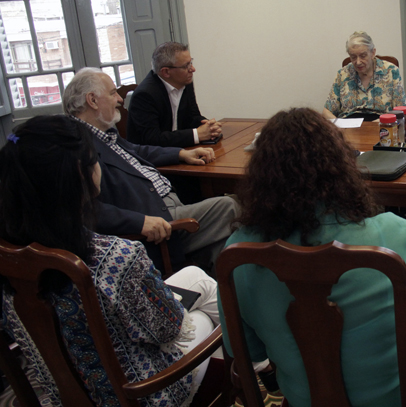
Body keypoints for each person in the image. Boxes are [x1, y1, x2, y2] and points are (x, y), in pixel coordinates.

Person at [217, 108, 406, 407]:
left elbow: (247, 352)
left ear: (261, 177)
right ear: (342, 166)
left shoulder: (238, 254)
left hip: (305, 398)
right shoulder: (391, 234)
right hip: (405, 397)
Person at [0, 115, 222, 406]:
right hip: (142, 393)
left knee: (195, 276)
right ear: (81, 174)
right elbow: (169, 331)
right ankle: (249, 375)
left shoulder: (9, 254)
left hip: (58, 395)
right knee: (209, 315)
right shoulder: (115, 257)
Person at [63, 67, 238, 275]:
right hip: (158, 221)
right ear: (92, 100)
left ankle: (225, 292)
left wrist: (181, 154)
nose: (119, 99)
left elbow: (136, 150)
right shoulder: (75, 145)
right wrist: (140, 222)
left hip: (169, 204)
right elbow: (80, 209)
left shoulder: (103, 133)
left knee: (221, 240)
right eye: (112, 93)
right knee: (233, 205)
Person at [127, 42, 222, 147]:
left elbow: (193, 117)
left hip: (179, 149)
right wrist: (196, 134)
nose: (193, 69)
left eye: (191, 62)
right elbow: (152, 139)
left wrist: (209, 127)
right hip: (152, 159)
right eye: (186, 66)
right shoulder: (145, 95)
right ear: (166, 72)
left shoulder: (185, 82)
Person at [323, 31, 406, 119]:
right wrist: (339, 126)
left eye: (363, 56)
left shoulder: (391, 71)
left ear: (373, 53)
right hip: (348, 127)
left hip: (381, 127)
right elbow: (326, 111)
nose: (358, 62)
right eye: (353, 57)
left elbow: (400, 110)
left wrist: (379, 124)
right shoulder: (343, 74)